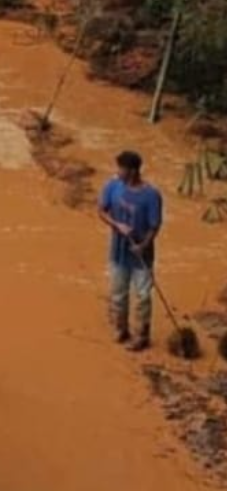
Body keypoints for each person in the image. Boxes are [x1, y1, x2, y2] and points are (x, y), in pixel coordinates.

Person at [97, 150, 164, 351]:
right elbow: (101, 210)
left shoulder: (151, 195)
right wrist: (116, 225)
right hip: (118, 251)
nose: (118, 172)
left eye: (122, 169)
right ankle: (121, 329)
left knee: (143, 295)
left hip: (141, 253)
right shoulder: (113, 186)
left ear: (133, 171)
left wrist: (142, 245)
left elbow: (155, 226)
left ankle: (142, 335)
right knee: (118, 292)